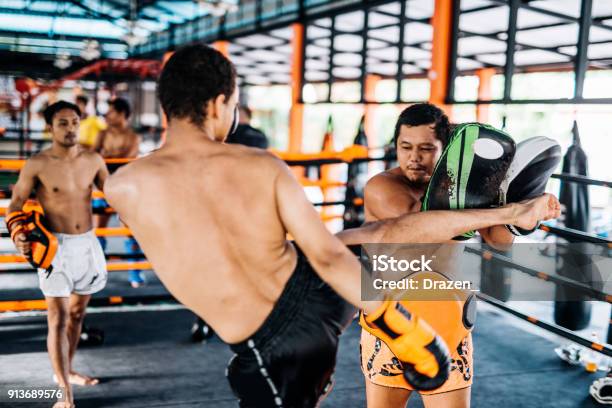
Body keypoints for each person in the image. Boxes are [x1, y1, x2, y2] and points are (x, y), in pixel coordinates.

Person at [103, 44, 560, 407]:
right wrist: (400, 324)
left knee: (366, 243)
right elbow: (327, 254)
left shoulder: (123, 187)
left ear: (164, 104)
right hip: (321, 304)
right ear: (222, 103)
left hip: (267, 338)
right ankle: (397, 318)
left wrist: (511, 217)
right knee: (358, 241)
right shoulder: (261, 166)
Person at [359, 103, 515, 408]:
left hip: (450, 327)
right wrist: (494, 206)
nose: (414, 157)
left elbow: (500, 241)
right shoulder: (381, 187)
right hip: (391, 327)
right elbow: (421, 225)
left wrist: (515, 203)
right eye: (405, 147)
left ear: (445, 149)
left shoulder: (465, 192)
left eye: (426, 148)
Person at [6, 100, 109, 408]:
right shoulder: (37, 163)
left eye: (75, 121)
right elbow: (15, 205)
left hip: (88, 245)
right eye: (63, 123)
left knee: (77, 316)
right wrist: (18, 234)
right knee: (57, 318)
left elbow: (115, 193)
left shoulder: (93, 159)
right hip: (55, 247)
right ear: (50, 127)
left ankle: (67, 370)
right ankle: (64, 392)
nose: (71, 128)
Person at [93, 98, 143, 287]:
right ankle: (96, 273)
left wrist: (106, 158)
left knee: (131, 232)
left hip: (124, 189)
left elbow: (127, 160)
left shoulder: (133, 137)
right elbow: (93, 156)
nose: (107, 115)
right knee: (99, 232)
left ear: (122, 114)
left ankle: (135, 274)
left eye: (111, 111)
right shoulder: (102, 133)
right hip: (102, 187)